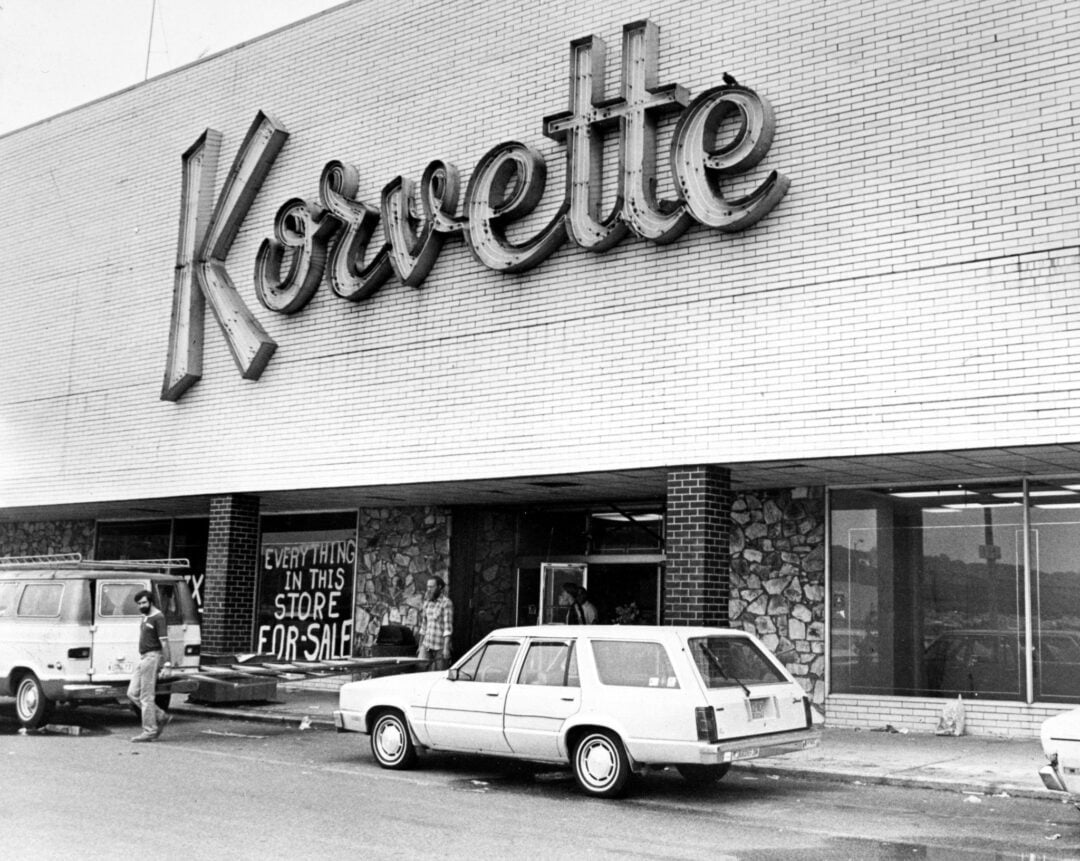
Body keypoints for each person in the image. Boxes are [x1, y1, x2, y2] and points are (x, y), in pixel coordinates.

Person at [128, 589, 173, 742]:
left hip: (152, 657)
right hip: (143, 658)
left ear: (151, 602)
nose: (141, 606)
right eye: (139, 604)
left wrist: (167, 664)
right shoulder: (145, 616)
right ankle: (161, 716)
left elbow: (164, 642)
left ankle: (149, 730)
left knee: (146, 696)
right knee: (132, 693)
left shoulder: (158, 617)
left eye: (144, 603)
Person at [418, 576, 453, 671]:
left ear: (439, 587)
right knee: (420, 669)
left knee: (440, 673)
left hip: (440, 646)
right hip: (426, 645)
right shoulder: (427, 603)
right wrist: (420, 645)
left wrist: (446, 648)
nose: (428, 589)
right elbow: (424, 626)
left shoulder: (446, 603)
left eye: (431, 587)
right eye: (427, 587)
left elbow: (448, 628)